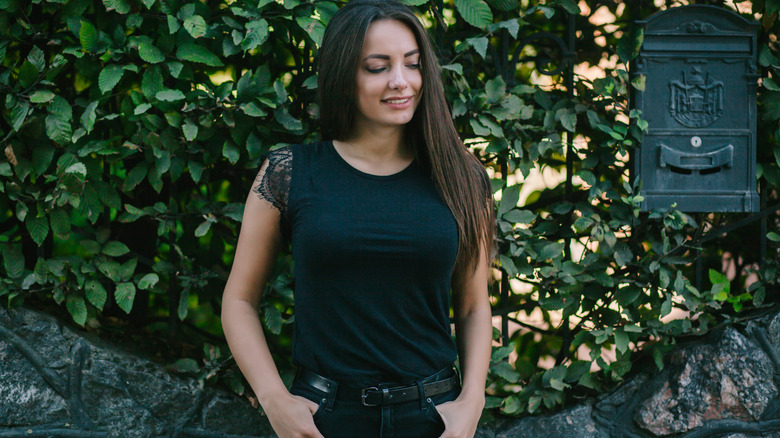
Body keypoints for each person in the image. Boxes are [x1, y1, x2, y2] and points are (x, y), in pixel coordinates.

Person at [221, 1, 494, 436]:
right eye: (377, 67)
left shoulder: (461, 177)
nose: (401, 81)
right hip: (323, 418)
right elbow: (239, 301)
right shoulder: (289, 171)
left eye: (413, 64)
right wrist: (275, 401)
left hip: (435, 419)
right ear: (344, 74)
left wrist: (471, 403)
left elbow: (474, 305)